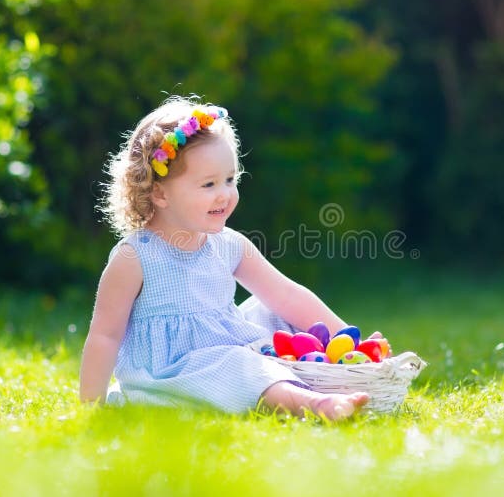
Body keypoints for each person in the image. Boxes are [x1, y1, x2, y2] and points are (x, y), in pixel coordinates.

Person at [79, 96, 378, 420]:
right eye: (208, 184)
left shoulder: (229, 244)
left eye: (230, 180)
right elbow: (105, 335)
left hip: (230, 348)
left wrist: (348, 337)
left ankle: (344, 365)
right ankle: (314, 403)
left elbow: (287, 294)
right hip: (173, 372)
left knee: (273, 311)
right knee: (237, 364)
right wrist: (91, 406)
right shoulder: (135, 257)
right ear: (160, 193)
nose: (225, 194)